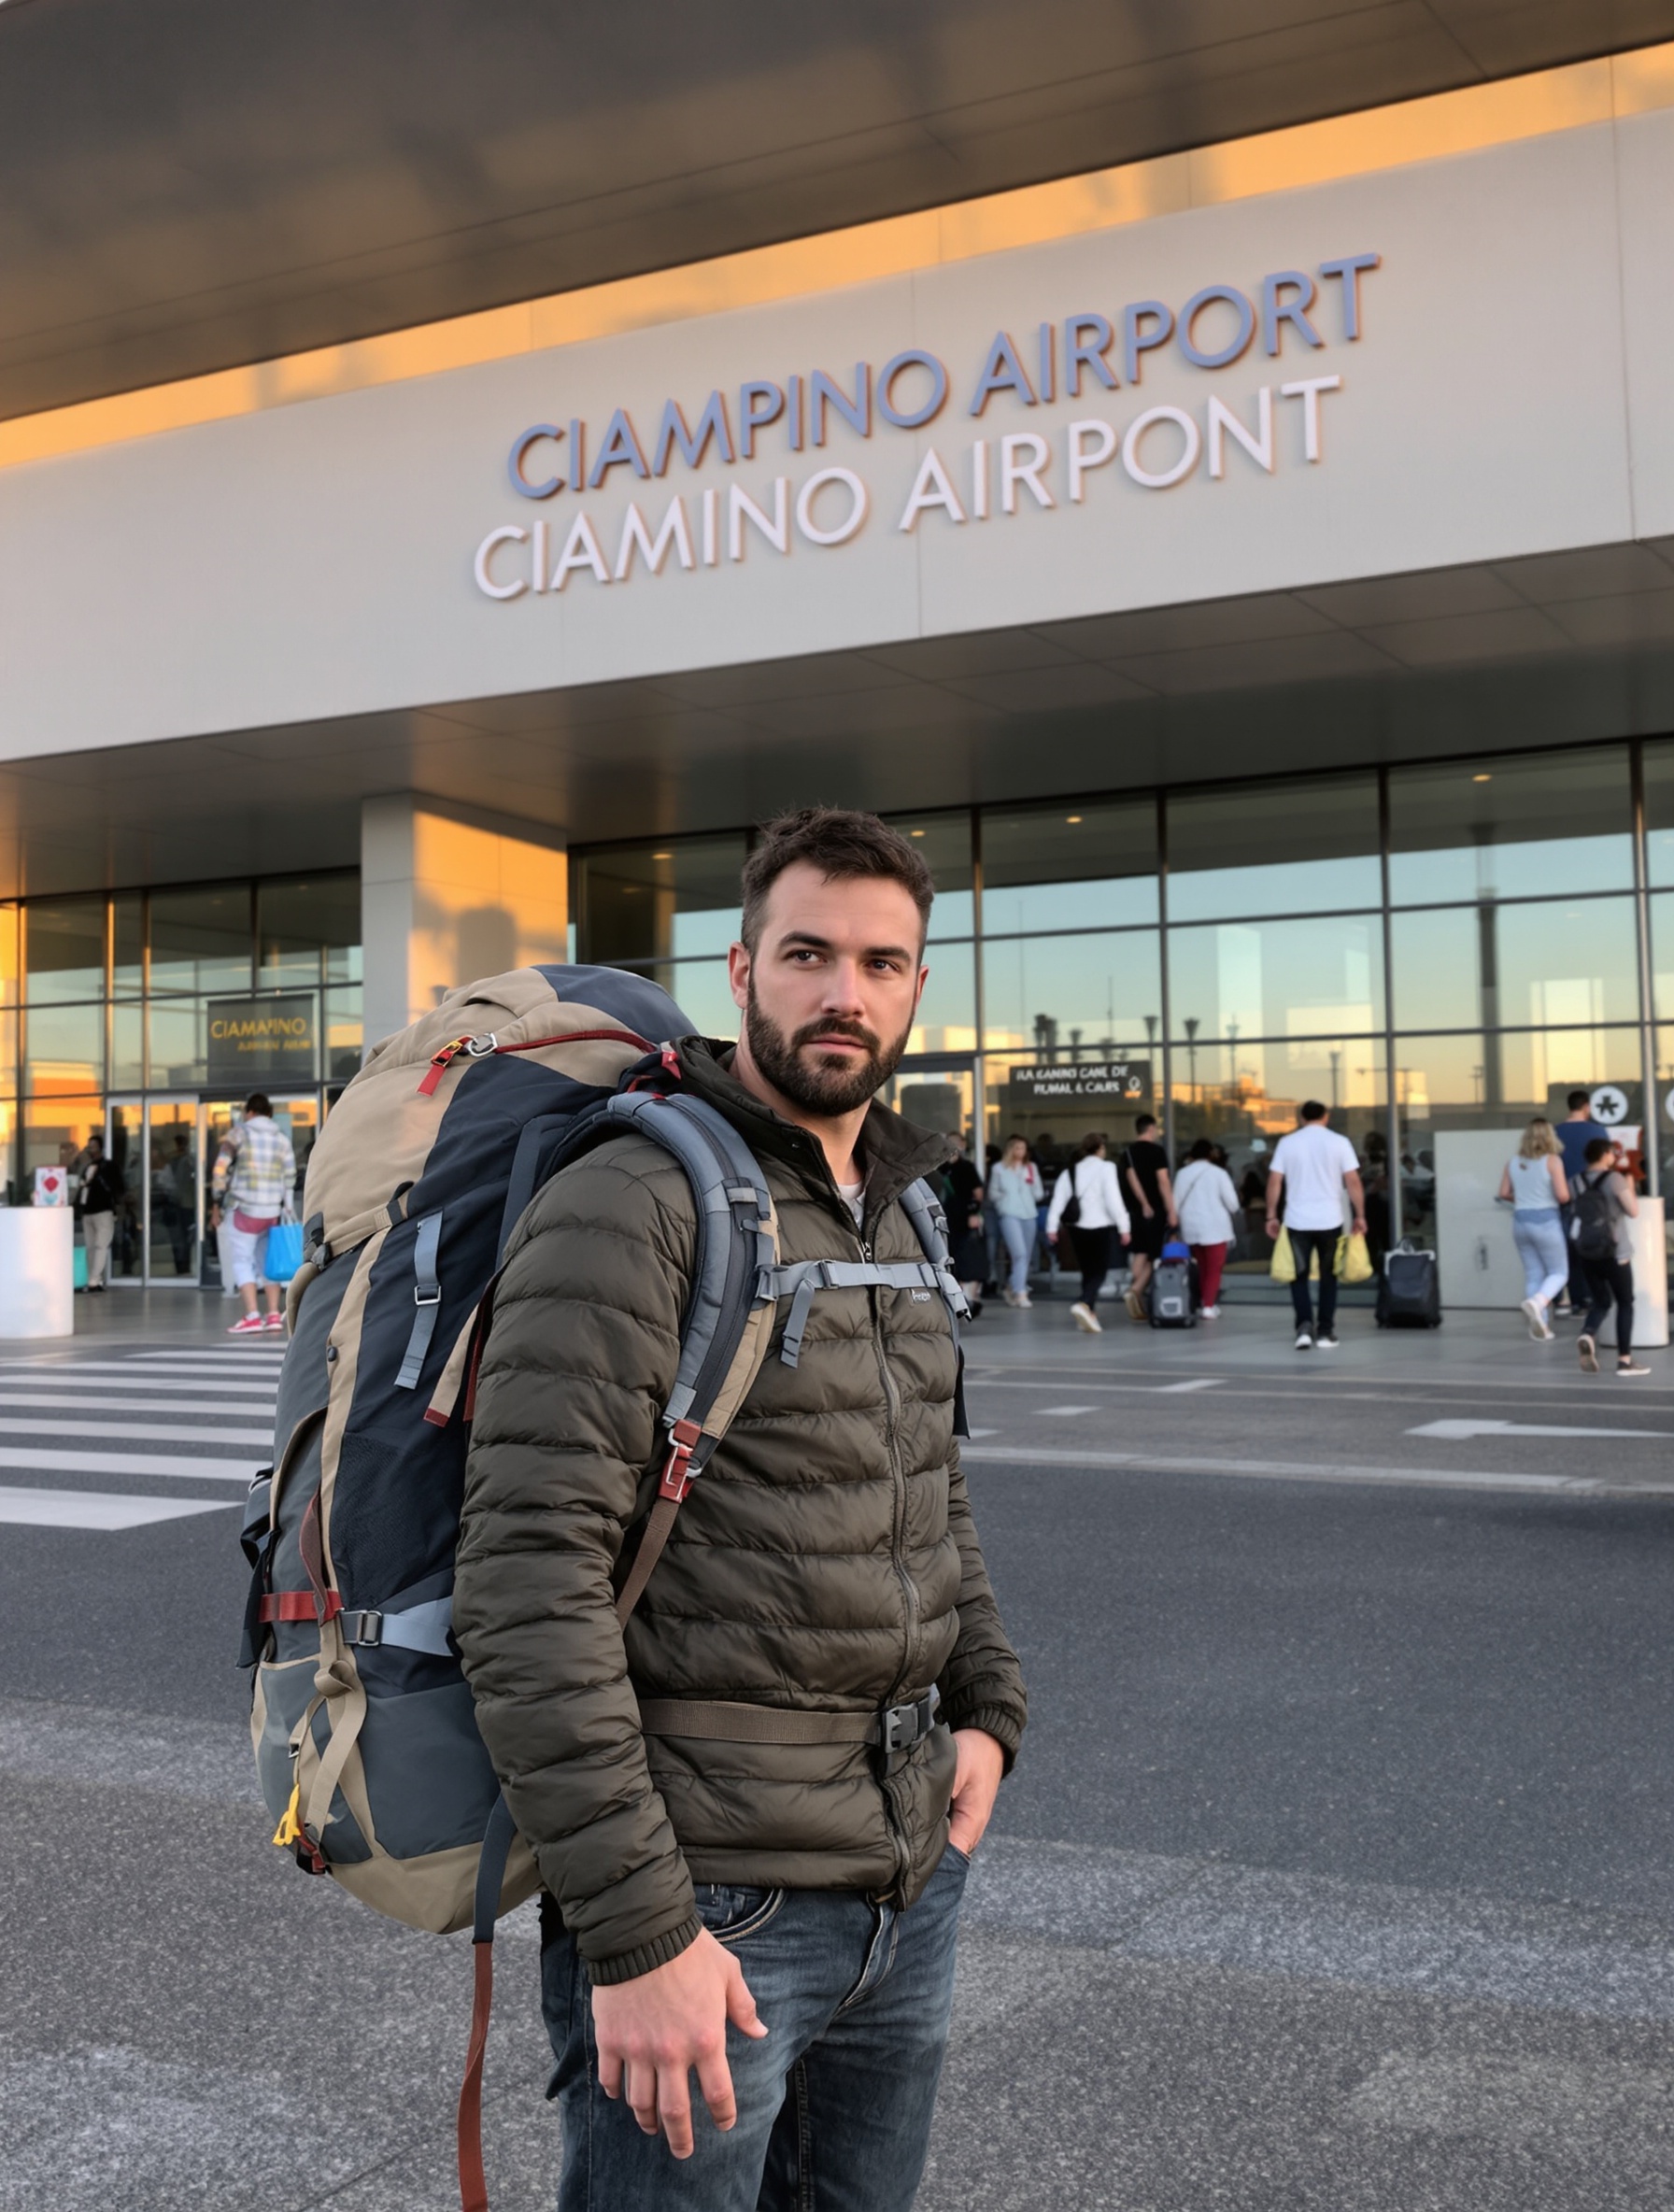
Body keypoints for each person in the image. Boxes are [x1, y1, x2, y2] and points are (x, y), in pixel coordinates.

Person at [454, 807, 1028, 2211]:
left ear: (918, 985)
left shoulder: (899, 1206)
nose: (846, 994)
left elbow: (929, 1493)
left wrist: (990, 1712)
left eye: (880, 964)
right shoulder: (635, 1199)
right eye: (809, 954)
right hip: (710, 1896)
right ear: (742, 969)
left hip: (903, 1878)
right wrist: (638, 1934)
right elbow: (528, 1586)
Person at [1265, 1101, 1366, 1351]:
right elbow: (1353, 1181)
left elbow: (1275, 1181)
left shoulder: (1287, 1143)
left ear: (1301, 1118)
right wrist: (1360, 1215)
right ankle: (1325, 1332)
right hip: (1330, 1220)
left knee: (1298, 1276)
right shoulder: (1339, 1142)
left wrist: (1271, 1215)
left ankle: (1303, 1328)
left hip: (1297, 1220)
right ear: (1326, 1117)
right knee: (1329, 1276)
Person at [209, 1093, 296, 1335]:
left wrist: (216, 1200)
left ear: (249, 1112)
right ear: (269, 1113)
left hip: (244, 1209)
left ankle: (252, 1316)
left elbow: (220, 1168)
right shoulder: (281, 1139)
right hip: (272, 1211)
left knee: (241, 1260)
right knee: (267, 1262)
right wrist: (287, 1206)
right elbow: (290, 1176)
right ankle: (273, 1314)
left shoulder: (239, 1133)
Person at [1573, 1134, 1650, 1376]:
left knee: (1601, 1302)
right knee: (1625, 1302)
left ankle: (1588, 1333)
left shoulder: (1576, 1180)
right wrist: (1629, 1183)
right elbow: (1633, 1210)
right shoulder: (1614, 1178)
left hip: (1587, 1250)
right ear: (1606, 1154)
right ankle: (1624, 1361)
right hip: (1615, 1252)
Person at [1043, 1131, 1131, 1331]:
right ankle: (1084, 1303)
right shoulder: (1107, 1168)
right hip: (1101, 1226)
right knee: (1099, 1272)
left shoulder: (1070, 1171)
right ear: (1100, 1149)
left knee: (1087, 1271)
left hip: (1077, 1228)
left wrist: (1051, 1227)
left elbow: (1058, 1201)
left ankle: (1089, 1313)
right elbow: (1113, 1199)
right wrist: (1124, 1226)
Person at [1496, 1118, 1570, 1340]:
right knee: (1559, 1272)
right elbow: (1563, 1196)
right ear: (1549, 1137)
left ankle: (1541, 1328)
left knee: (1533, 1274)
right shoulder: (1553, 1161)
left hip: (1520, 1221)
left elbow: (1503, 1193)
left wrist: (1523, 1198)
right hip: (1546, 1221)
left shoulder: (1512, 1162)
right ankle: (1539, 1302)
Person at [1172, 1136, 1241, 1317]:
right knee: (1214, 1268)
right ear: (1211, 1154)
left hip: (1191, 1227)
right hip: (1215, 1227)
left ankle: (1204, 1301)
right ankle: (1208, 1306)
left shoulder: (1182, 1174)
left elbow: (1175, 1203)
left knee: (1202, 1267)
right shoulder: (1219, 1173)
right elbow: (1233, 1204)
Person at [1120, 1113, 1176, 1319]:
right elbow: (1163, 1182)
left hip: (1135, 1212)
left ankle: (1135, 1291)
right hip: (1156, 1211)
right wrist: (1171, 1210)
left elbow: (1129, 1179)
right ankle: (1135, 1290)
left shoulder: (1127, 1153)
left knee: (1141, 1252)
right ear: (1151, 1128)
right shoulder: (1157, 1151)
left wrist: (1142, 1204)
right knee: (1157, 1256)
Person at [987, 1133, 1043, 1309]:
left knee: (1025, 1256)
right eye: (1018, 1148)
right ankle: (1021, 1292)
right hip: (1009, 1214)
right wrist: (1005, 1200)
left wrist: (1029, 1190)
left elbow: (1039, 1193)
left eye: (1023, 1148)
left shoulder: (1030, 1167)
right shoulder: (999, 1168)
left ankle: (1011, 1286)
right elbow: (992, 1193)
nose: (1021, 1151)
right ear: (1010, 1150)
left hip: (1029, 1213)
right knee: (1019, 1253)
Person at [1553, 1088, 1596, 1316]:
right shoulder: (1597, 1131)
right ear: (1586, 1107)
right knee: (1589, 1248)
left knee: (1567, 1250)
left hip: (1562, 1198)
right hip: (1590, 1198)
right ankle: (1587, 1298)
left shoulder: (1555, 1132)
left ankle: (1569, 1299)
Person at [940, 1132, 986, 1317]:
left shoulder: (966, 1167)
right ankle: (957, 1296)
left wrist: (975, 1213)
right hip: (946, 1217)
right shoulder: (939, 1168)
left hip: (965, 1216)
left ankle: (970, 1296)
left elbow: (978, 1193)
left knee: (969, 1254)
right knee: (950, 1254)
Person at [74, 1133, 121, 1291]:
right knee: (91, 1247)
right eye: (89, 1147)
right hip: (88, 1211)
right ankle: (94, 1280)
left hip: (103, 1210)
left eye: (93, 1147)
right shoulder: (86, 1167)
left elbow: (117, 1187)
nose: (90, 1150)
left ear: (100, 1148)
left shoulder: (109, 1167)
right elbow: (82, 1187)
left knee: (101, 1245)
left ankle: (94, 1280)